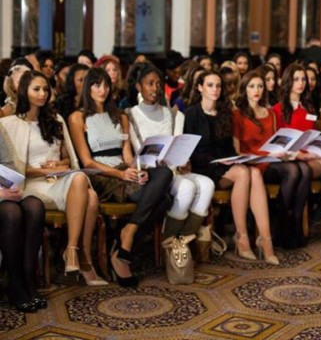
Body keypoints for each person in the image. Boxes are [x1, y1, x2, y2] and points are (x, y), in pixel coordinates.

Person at [69, 68, 173, 287]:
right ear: (88, 87)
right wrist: (121, 174)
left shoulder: (120, 116)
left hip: (123, 168)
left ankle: (127, 234)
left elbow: (128, 157)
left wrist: (138, 170)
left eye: (106, 85)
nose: (102, 90)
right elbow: (86, 162)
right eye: (97, 85)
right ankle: (125, 244)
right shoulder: (77, 117)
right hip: (100, 174)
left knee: (164, 173)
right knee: (163, 200)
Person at [1, 71, 106, 285]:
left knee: (82, 184)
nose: (42, 94)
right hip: (31, 186)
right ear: (24, 91)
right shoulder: (10, 124)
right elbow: (15, 169)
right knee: (91, 196)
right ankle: (80, 258)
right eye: (36, 89)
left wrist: (59, 165)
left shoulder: (55, 119)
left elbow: (69, 161)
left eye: (45, 89)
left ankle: (72, 249)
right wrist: (43, 171)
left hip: (59, 181)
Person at [184, 70, 279, 264]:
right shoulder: (191, 114)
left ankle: (265, 239)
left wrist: (233, 159)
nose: (215, 89)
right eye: (210, 85)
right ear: (200, 88)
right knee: (244, 173)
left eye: (218, 85)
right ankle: (242, 237)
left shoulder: (224, 112)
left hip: (226, 165)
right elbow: (190, 151)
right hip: (204, 168)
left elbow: (228, 148)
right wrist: (221, 162)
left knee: (254, 173)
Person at [126, 64, 214, 240]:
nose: (155, 88)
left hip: (174, 169)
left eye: (158, 84)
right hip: (152, 173)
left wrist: (183, 161)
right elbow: (138, 153)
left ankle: (183, 238)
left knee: (208, 185)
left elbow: (178, 145)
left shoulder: (174, 115)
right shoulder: (130, 115)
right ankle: (169, 239)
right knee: (187, 188)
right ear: (139, 87)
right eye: (149, 83)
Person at [273, 64, 321, 244]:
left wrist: (319, 148)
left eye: (303, 79)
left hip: (311, 155)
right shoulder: (278, 109)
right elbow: (279, 143)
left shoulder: (307, 107)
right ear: (288, 82)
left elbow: (311, 136)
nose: (300, 83)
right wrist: (300, 154)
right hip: (292, 159)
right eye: (296, 79)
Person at [233, 70, 311, 249]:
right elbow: (238, 151)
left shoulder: (270, 113)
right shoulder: (237, 114)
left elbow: (275, 142)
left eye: (260, 86)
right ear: (244, 89)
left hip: (273, 159)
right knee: (292, 171)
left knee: (304, 169)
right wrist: (266, 155)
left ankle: (296, 223)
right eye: (252, 86)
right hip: (254, 163)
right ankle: (281, 223)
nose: (256, 90)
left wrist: (283, 152)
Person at [0, 124, 46, 312]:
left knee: (34, 205)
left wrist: (9, 185)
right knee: (11, 213)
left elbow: (6, 163)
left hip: (2, 192)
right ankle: (15, 282)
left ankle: (28, 278)